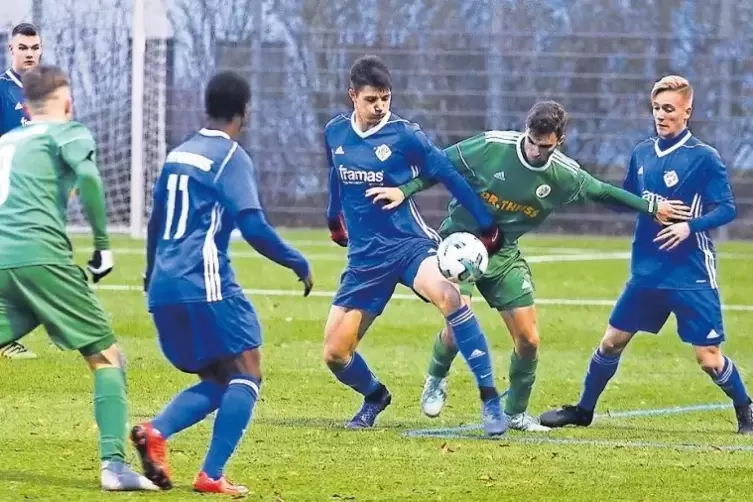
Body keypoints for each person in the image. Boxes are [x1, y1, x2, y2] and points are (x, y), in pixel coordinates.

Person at [367, 100, 691, 431]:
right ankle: (436, 377)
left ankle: (515, 413)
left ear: (560, 140)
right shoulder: (492, 147)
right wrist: (404, 190)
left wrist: (650, 207)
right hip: (459, 246)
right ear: (526, 130)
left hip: (503, 254)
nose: (536, 151)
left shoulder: (564, 175)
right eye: (532, 142)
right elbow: (438, 165)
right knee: (457, 325)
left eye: (545, 146)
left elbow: (603, 192)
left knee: (529, 340)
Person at [538, 76, 753, 434]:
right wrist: (580, 189)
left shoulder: (704, 158)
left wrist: (689, 226)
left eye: (668, 109)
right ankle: (584, 410)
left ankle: (746, 409)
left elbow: (727, 209)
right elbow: (627, 201)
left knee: (709, 360)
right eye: (656, 108)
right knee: (611, 341)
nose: (660, 115)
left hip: (690, 272)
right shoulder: (641, 152)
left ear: (688, 111)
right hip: (647, 271)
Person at [132, 70, 313, 496]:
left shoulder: (178, 155)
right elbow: (253, 225)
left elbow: (156, 223)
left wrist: (149, 273)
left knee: (220, 380)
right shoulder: (231, 158)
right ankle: (211, 474)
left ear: (206, 106)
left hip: (163, 286)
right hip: (204, 283)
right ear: (244, 111)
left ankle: (157, 432)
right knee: (248, 372)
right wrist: (295, 259)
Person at [323, 54, 508, 436]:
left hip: (409, 246)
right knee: (335, 354)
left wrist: (486, 223)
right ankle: (375, 396)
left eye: (385, 98)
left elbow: (446, 173)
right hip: (364, 260)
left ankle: (491, 400)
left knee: (451, 299)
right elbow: (335, 177)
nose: (379, 107)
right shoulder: (335, 133)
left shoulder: (405, 135)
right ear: (352, 96)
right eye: (372, 99)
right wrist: (332, 218)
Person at [0, 65, 156, 490]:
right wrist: (103, 245)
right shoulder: (67, 132)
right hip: (42, 258)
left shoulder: (7, 140)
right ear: (66, 102)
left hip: (1, 259)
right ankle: (114, 467)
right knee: (108, 358)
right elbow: (87, 176)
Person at [0, 22, 43, 359]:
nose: (29, 53)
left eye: (34, 48)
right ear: (10, 50)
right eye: (22, 48)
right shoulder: (2, 90)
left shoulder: (46, 94)